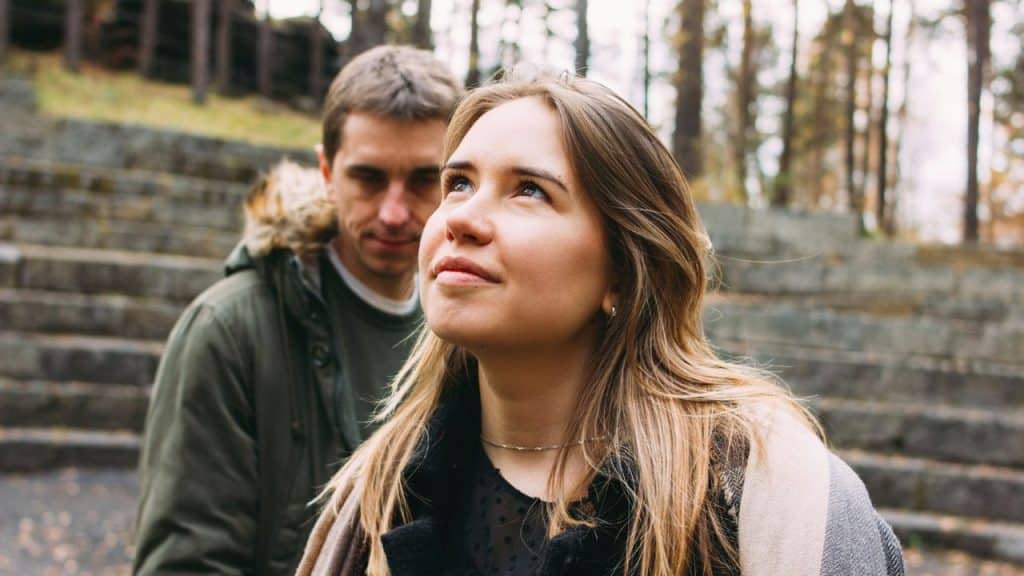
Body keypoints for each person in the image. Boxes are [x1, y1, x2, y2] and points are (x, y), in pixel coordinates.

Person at [295, 69, 906, 576]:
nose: (462, 219)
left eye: (529, 190)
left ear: (622, 268)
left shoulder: (765, 497)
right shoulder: (379, 490)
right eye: (457, 183)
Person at [132, 46, 464, 576]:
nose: (395, 212)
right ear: (327, 172)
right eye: (369, 178)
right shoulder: (230, 330)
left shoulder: (470, 330)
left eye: (424, 179)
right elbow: (186, 562)